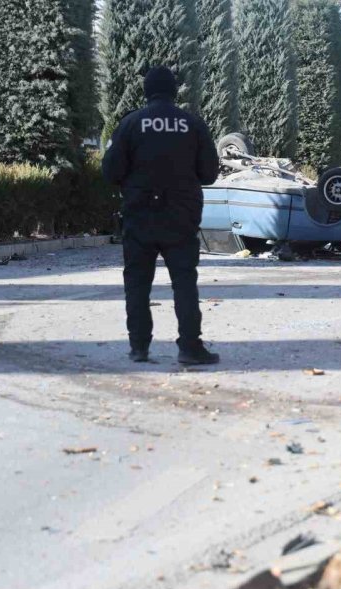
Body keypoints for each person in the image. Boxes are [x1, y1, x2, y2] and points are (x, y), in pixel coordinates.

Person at [103, 66, 221, 365]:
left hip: (139, 214)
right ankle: (190, 347)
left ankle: (139, 347)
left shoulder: (130, 123)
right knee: (184, 281)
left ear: (147, 92)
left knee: (137, 282)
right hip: (181, 216)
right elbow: (209, 174)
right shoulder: (192, 124)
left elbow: (111, 171)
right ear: (174, 91)